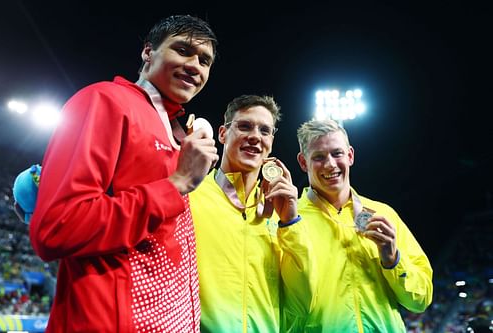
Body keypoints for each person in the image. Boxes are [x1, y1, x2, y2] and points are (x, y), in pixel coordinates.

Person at [29, 15, 219, 332]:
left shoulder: (177, 133)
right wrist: (177, 184)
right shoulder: (104, 101)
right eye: (182, 50)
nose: (195, 66)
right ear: (148, 52)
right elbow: (57, 226)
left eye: (204, 60)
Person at [189, 95, 314, 333]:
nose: (255, 136)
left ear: (271, 142)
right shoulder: (191, 196)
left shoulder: (281, 215)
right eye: (245, 126)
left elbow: (302, 304)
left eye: (264, 131)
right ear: (223, 134)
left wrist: (291, 223)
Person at [295, 118, 433, 332]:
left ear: (350, 155)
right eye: (319, 157)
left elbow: (420, 299)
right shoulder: (287, 220)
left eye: (337, 153)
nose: (330, 164)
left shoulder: (384, 215)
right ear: (303, 163)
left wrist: (392, 260)